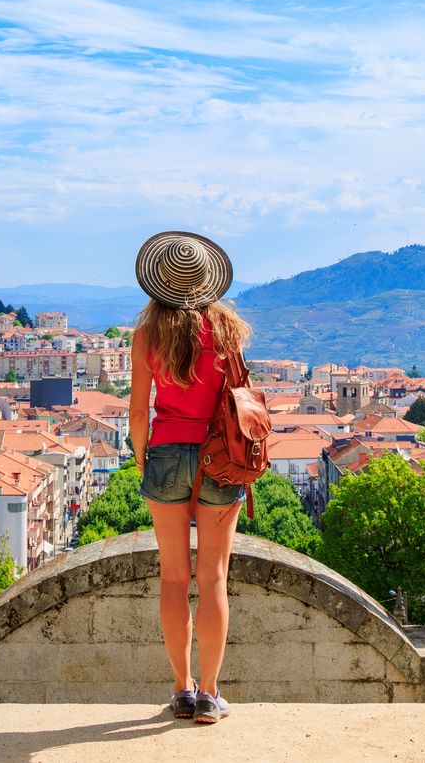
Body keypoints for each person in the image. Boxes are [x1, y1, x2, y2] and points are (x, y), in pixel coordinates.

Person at [128, 230, 251, 726]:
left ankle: (181, 689)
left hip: (165, 454)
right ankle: (210, 694)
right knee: (214, 578)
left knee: (174, 579)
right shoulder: (228, 333)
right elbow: (243, 402)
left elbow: (139, 413)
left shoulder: (146, 337)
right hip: (220, 456)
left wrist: (143, 459)